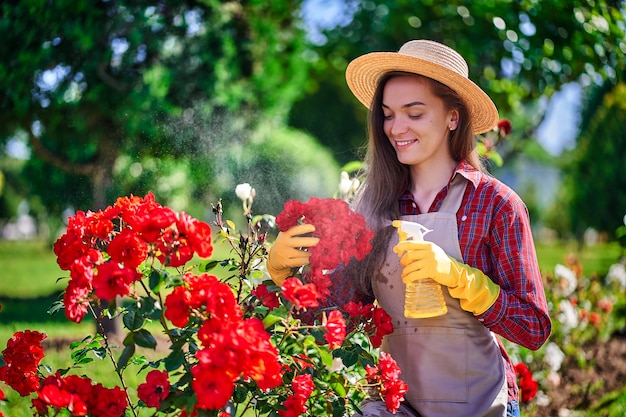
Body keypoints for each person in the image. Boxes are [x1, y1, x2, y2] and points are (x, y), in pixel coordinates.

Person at [266, 40, 551, 417]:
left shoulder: (495, 204)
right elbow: (342, 312)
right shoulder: (373, 203)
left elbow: (532, 327)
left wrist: (462, 279)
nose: (396, 128)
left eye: (414, 113)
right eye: (388, 114)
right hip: (394, 404)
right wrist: (286, 273)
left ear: (453, 117)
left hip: (480, 404)